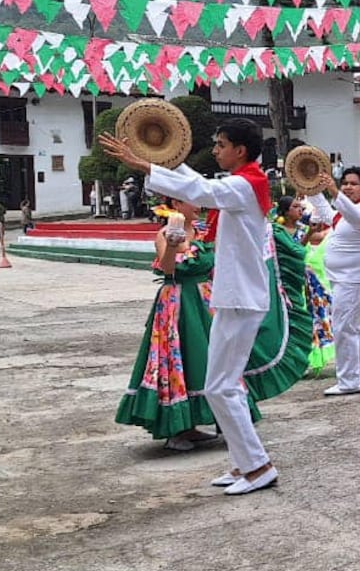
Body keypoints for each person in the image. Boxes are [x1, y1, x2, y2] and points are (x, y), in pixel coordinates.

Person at [100, 117, 285, 496]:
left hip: (241, 298)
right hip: (233, 297)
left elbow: (200, 189)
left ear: (240, 151)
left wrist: (145, 165)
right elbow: (200, 183)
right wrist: (166, 156)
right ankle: (244, 462)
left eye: (220, 145)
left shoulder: (246, 184)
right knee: (220, 386)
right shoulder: (242, 183)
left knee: (221, 387)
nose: (215, 150)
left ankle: (258, 466)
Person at [116, 199, 259, 451]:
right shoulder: (164, 234)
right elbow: (167, 268)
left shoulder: (205, 232)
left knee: (217, 358)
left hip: (207, 300)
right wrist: (172, 245)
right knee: (181, 359)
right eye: (190, 199)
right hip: (177, 303)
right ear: (176, 203)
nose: (197, 205)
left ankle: (229, 423)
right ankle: (179, 428)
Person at [305, 167, 360, 396]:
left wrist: (334, 191)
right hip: (345, 279)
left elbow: (358, 219)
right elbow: (327, 213)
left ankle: (348, 381)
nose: (348, 187)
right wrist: (311, 188)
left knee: (342, 328)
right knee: (352, 328)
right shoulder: (344, 214)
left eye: (353, 183)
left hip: (353, 279)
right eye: (345, 183)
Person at [277, 195, 334, 373]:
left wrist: (335, 228)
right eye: (295, 207)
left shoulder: (302, 228)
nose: (300, 209)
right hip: (287, 278)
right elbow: (295, 250)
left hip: (306, 279)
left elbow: (319, 237)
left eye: (301, 207)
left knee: (313, 315)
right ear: (286, 211)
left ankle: (307, 357)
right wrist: (310, 234)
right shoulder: (277, 230)